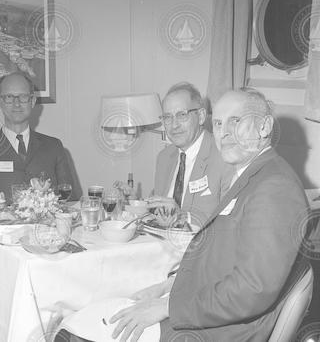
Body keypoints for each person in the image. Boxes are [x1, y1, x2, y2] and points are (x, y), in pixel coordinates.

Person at [62, 88, 310, 342]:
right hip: (203, 312)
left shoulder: (274, 187)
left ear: (264, 126)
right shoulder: (252, 175)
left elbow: (251, 291)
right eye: (219, 123)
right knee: (86, 316)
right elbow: (220, 259)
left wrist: (167, 307)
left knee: (77, 329)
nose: (224, 133)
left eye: (236, 121)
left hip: (221, 332)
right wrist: (166, 289)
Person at [0, 72, 80, 209]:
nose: (16, 104)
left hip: (45, 229)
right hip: (0, 230)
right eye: (9, 97)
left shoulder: (54, 147)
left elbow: (70, 201)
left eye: (23, 97)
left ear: (33, 101)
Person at [154, 82, 233, 224]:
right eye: (167, 117)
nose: (174, 125)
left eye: (182, 115)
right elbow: (158, 208)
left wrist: (183, 216)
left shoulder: (225, 156)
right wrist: (135, 203)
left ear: (201, 116)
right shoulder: (164, 157)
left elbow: (229, 221)